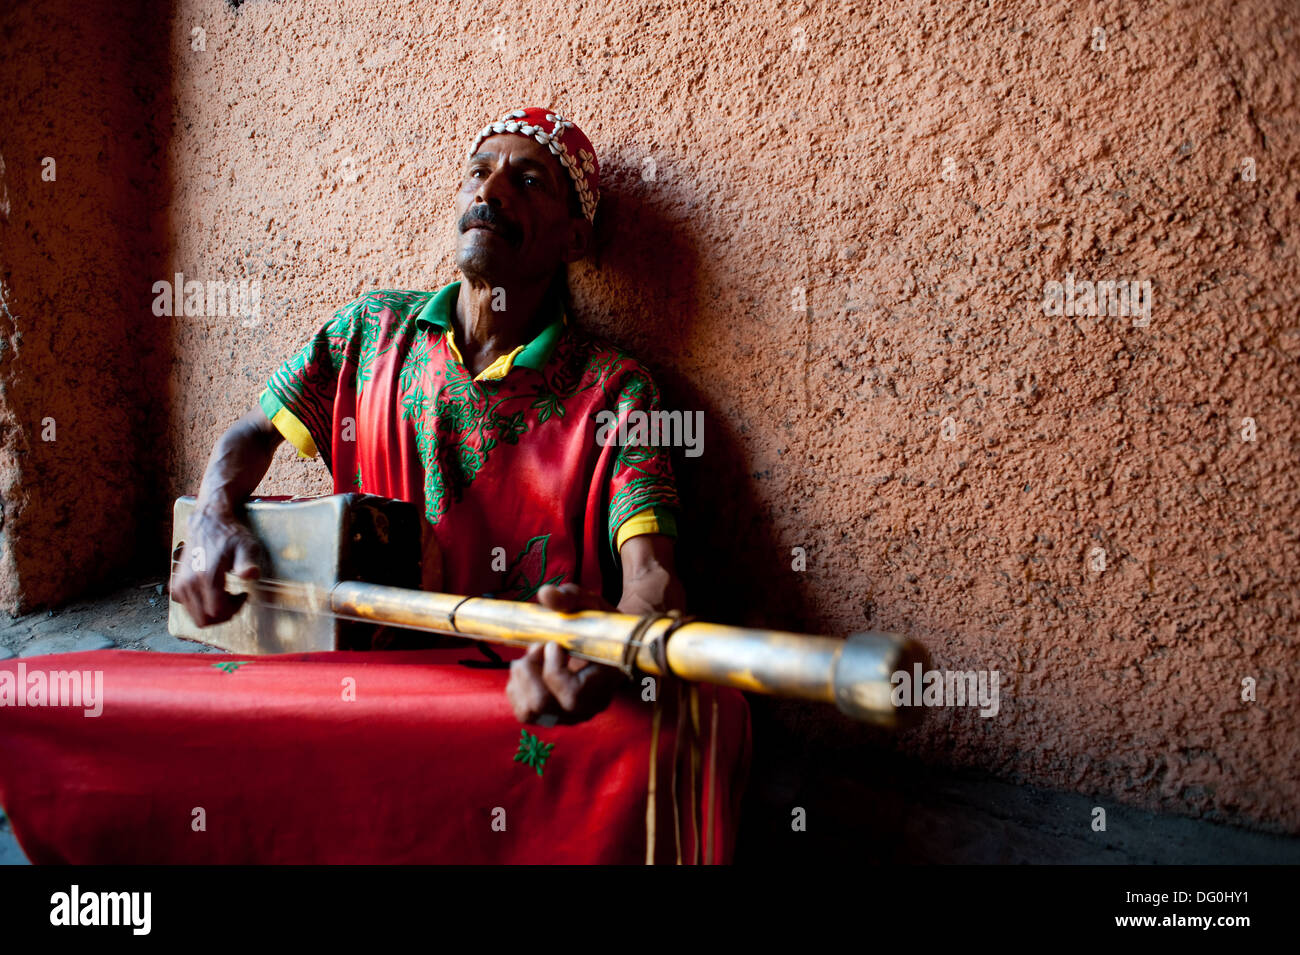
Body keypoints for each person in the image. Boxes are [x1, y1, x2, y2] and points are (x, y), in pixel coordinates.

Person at [170, 107, 685, 726]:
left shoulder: (619, 392)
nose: (490, 190)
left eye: (527, 181)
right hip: (356, 688)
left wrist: (613, 655)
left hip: (518, 697)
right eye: (478, 173)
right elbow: (251, 435)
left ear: (575, 239)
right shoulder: (369, 330)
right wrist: (209, 516)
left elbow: (651, 576)